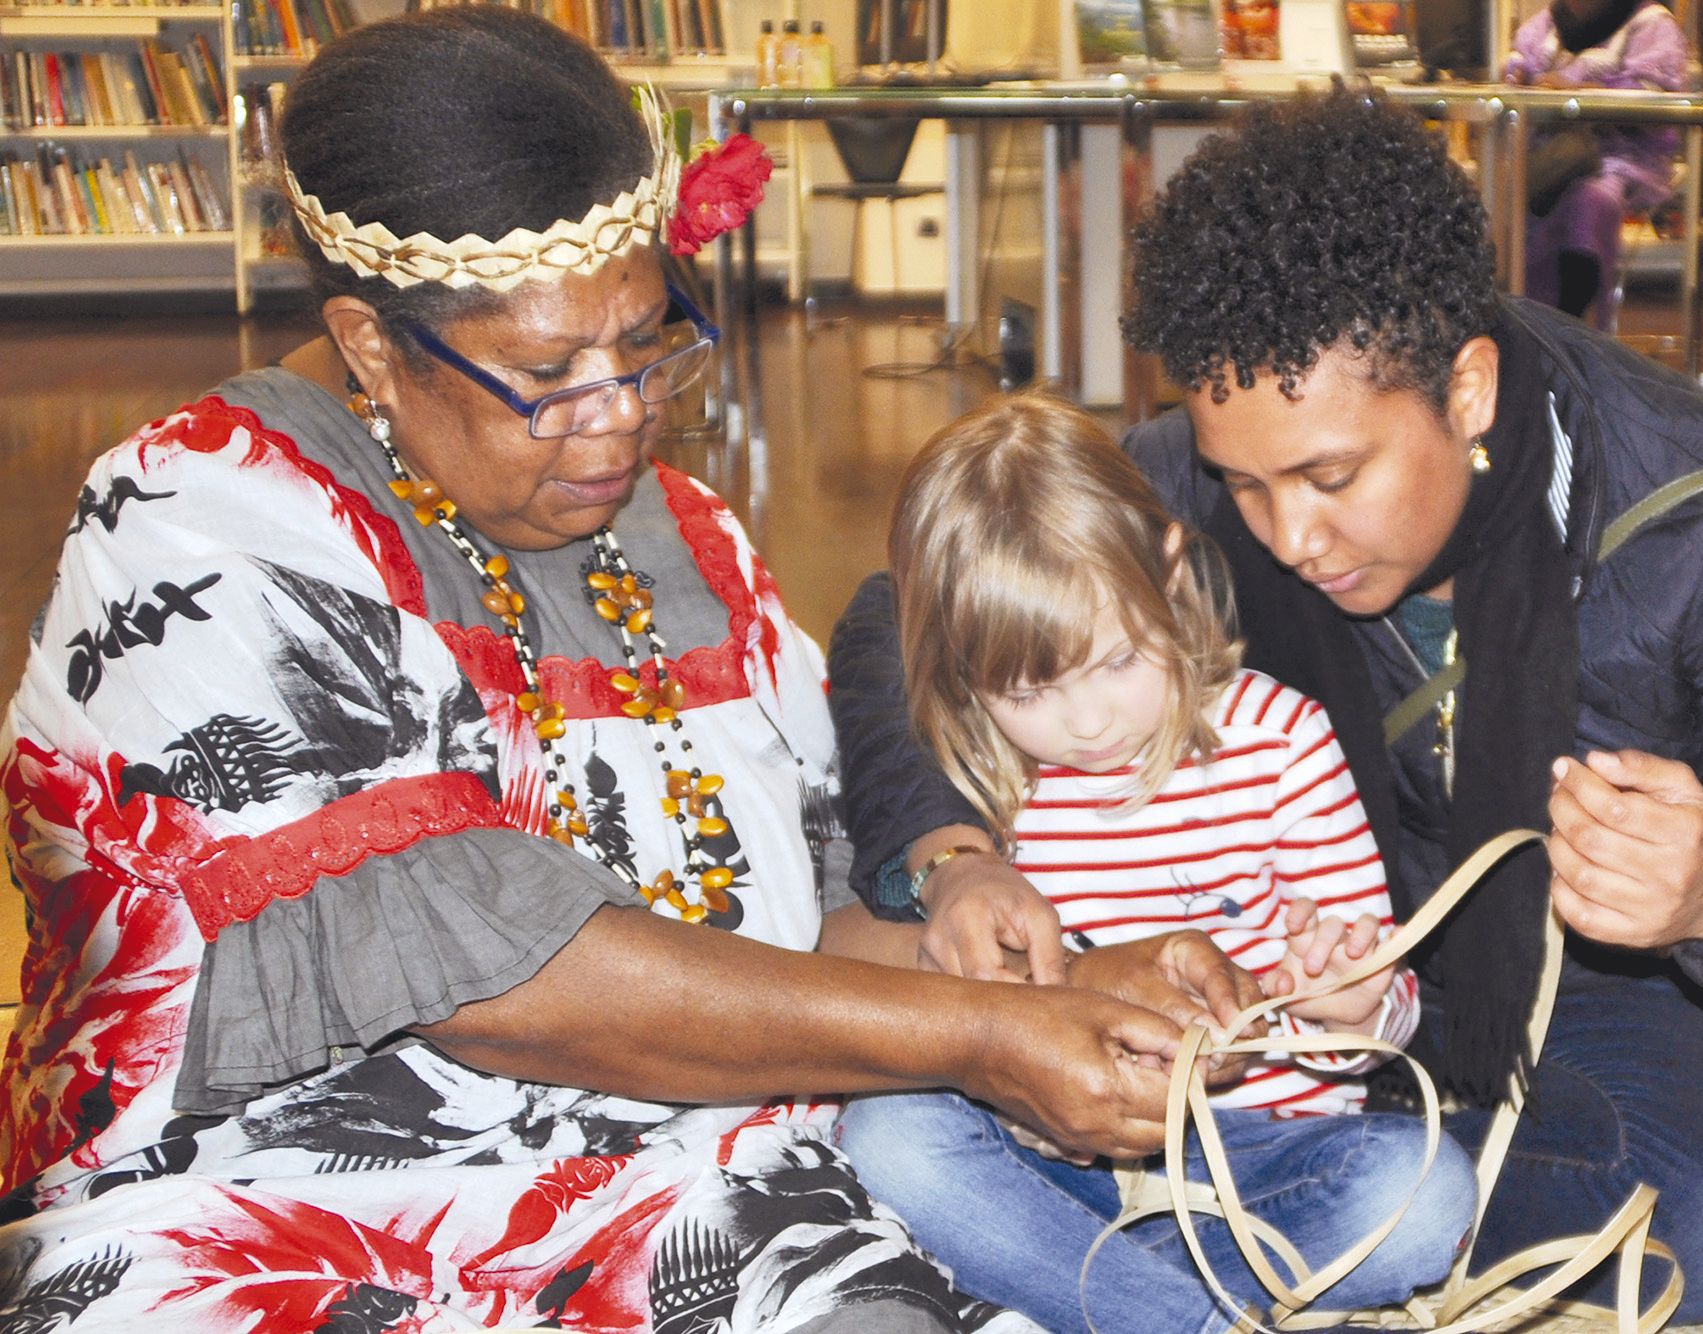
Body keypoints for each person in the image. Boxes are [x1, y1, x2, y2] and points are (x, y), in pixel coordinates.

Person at [0, 11, 1263, 1330]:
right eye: (549, 371)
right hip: (269, 1208)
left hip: (692, 1185)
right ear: (372, 344)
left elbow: (792, 923)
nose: (620, 418)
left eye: (648, 343)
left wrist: (1056, 986)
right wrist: (980, 1041)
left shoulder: (690, 542)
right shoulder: (196, 517)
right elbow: (497, 978)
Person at [827, 92, 1703, 1325]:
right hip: (1261, 931)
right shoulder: (1236, 437)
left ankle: (1151, 1206)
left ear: (1466, 390)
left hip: (1574, 969)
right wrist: (949, 858)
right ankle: (1215, 1210)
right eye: (1241, 486)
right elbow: (902, 615)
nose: (1287, 536)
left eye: (1330, 477)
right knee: (911, 1111)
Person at [829, 395, 1476, 1334]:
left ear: (1167, 571)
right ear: (958, 664)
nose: (1088, 722)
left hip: (1256, 1150)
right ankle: (1184, 1316)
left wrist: (1357, 1001)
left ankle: (1079, 1290)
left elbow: (1384, 1001)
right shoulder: (975, 782)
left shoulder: (1282, 743)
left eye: (1120, 660)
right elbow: (934, 1001)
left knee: (1420, 1197)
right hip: (1055, 1158)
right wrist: (1004, 1088)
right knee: (890, 1137)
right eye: (1029, 689)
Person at [1502, 0, 1692, 325]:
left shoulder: (1651, 24)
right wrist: (1519, 78)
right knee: (1504, 197)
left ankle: (1573, 328)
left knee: (1591, 201)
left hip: (1619, 159)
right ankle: (1523, 328)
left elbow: (1656, 100)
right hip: (1546, 158)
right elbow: (1513, 72)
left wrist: (1577, 90)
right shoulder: (1544, 24)